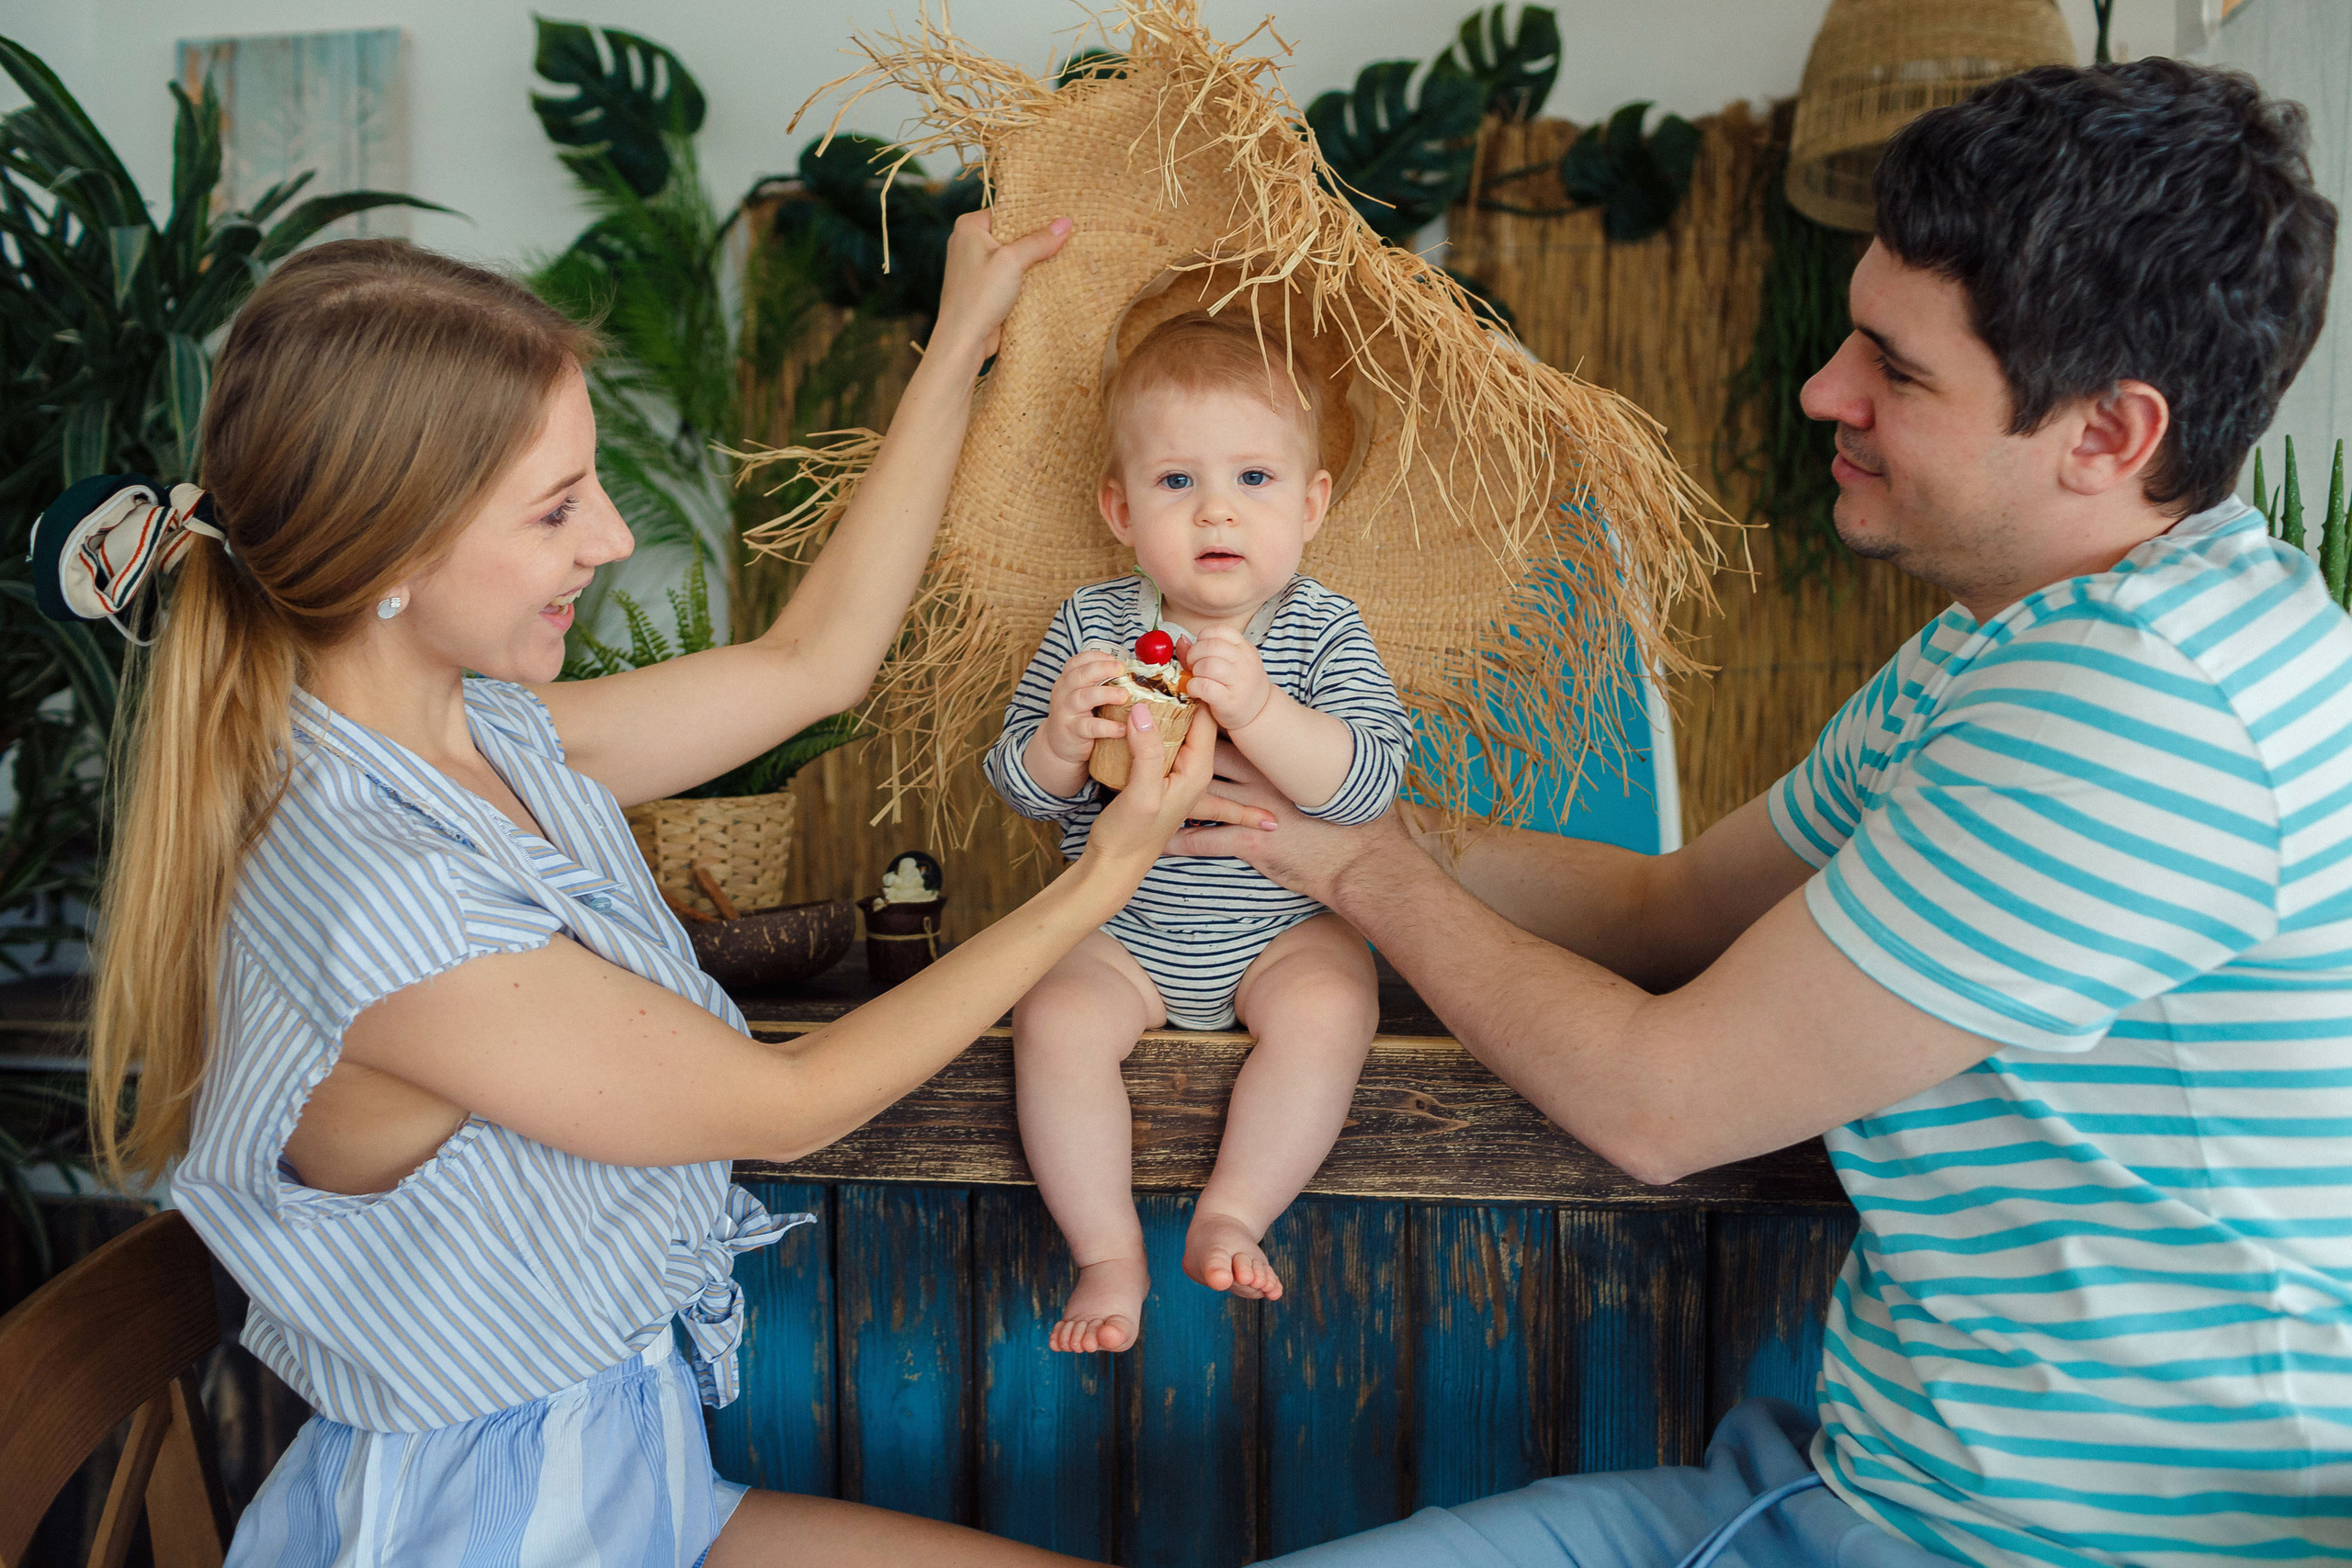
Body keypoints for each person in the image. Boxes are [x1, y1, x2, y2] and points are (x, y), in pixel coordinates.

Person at [1180, 59, 2347, 1568]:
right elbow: (1665, 909)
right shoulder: (2027, 635)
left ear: (2110, 435)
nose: (1823, 392)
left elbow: (1661, 1101)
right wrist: (1310, 776)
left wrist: (1350, 870)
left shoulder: (2142, 710)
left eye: (1898, 369)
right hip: (1853, 1493)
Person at [68, 213, 1252, 1567]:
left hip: (629, 1494)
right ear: (397, 551)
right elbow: (790, 1103)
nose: (614, 536)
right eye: (558, 506)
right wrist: (1103, 875)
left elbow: (814, 662)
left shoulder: (481, 734)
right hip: (492, 1533)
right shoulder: (387, 901)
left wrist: (964, 341)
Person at [981, 313, 1413, 1353]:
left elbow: (1367, 784)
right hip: (1122, 924)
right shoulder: (1092, 630)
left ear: (1311, 506)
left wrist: (1263, 711)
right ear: (1121, 509)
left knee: (1332, 1007)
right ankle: (1106, 1252)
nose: (1216, 508)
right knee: (1052, 1024)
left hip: (1277, 928)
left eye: (1255, 480)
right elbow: (1024, 792)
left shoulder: (1319, 630)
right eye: (1177, 483)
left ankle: (1236, 1210)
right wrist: (1057, 736)